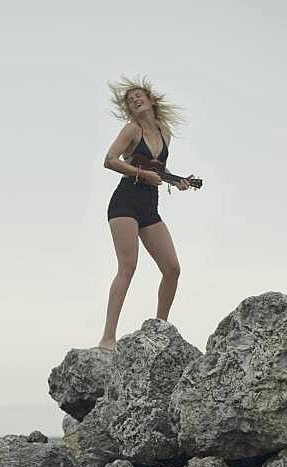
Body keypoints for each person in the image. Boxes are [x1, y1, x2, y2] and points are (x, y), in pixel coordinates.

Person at [98, 75, 196, 351]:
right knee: (128, 268)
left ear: (151, 100)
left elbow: (158, 170)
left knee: (172, 269)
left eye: (139, 96)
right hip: (125, 203)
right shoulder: (131, 130)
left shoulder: (165, 132)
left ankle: (159, 329)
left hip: (149, 206)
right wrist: (142, 174)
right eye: (130, 101)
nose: (135, 100)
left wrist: (176, 181)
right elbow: (110, 160)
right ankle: (108, 338)